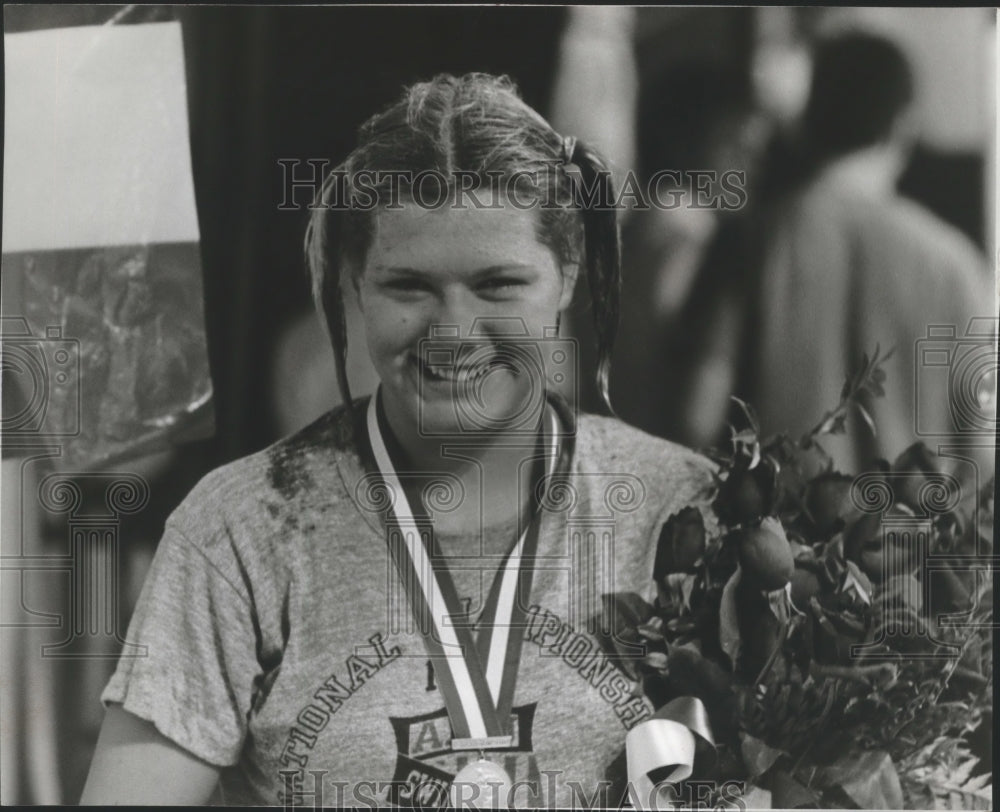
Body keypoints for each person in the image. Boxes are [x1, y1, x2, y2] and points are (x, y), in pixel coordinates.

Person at [80, 73, 716, 807]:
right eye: (408, 287)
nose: (452, 331)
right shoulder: (241, 531)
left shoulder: (681, 509)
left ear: (567, 276)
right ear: (352, 285)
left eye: (498, 285)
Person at [749, 31, 996, 477]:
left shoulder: (755, 242)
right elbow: (982, 450)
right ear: (905, 122)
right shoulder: (952, 263)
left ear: (809, 116)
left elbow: (697, 413)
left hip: (779, 540)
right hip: (913, 542)